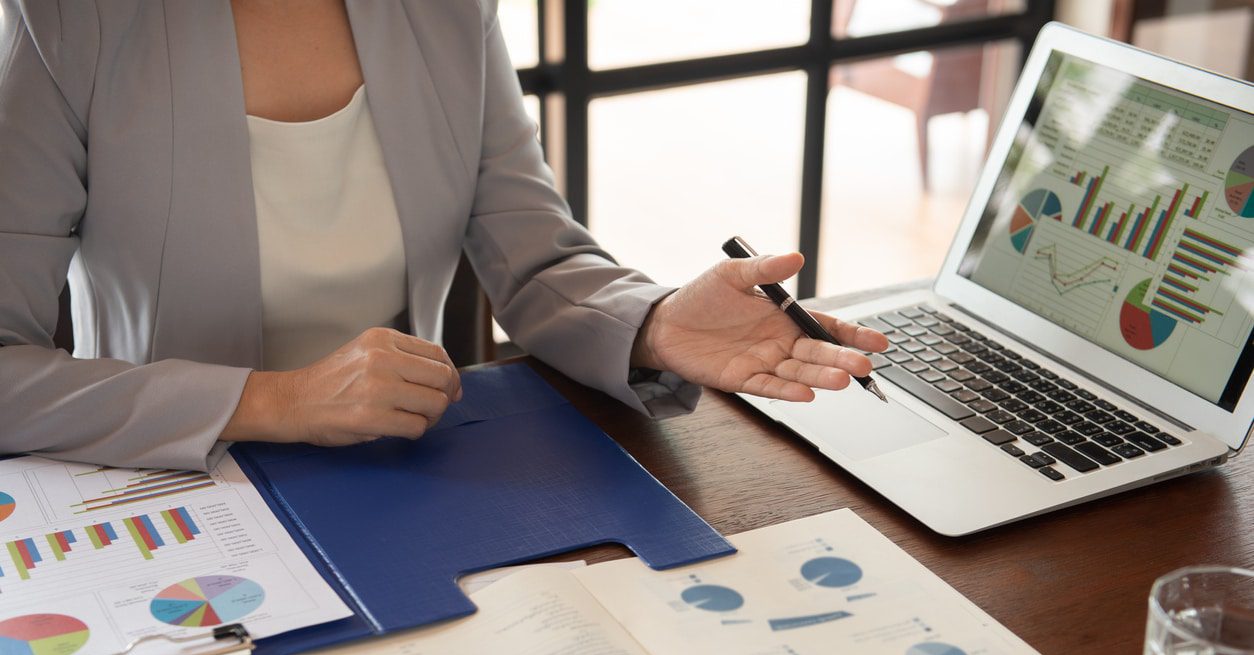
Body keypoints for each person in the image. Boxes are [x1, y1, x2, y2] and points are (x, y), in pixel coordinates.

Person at [0, 0, 887, 472]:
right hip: (172, 483)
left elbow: (533, 250)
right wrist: (274, 402)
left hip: (407, 467)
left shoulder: (447, 8)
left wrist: (655, 323)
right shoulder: (62, 18)